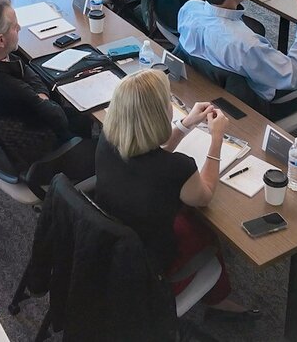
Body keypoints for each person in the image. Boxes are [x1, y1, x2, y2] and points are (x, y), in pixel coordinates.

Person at [96, 69, 256, 320]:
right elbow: (204, 196)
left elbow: (149, 151)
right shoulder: (176, 168)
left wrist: (186, 124)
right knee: (206, 232)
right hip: (151, 266)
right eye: (168, 101)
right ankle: (218, 301)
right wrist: (216, 139)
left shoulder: (108, 139)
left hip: (115, 243)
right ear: (159, 115)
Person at [0, 0, 95, 180]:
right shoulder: (11, 89)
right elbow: (59, 118)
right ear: (0, 40)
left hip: (9, 142)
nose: (20, 28)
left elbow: (27, 70)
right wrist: (41, 99)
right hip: (42, 158)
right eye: (15, 27)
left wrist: (40, 95)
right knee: (95, 131)